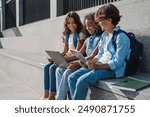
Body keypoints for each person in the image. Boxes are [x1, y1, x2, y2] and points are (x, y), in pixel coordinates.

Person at [68, 3, 131, 100]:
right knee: (72, 77)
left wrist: (97, 66)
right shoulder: (104, 36)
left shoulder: (121, 37)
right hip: (100, 65)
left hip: (113, 70)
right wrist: (91, 61)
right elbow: (100, 54)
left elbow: (118, 63)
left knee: (81, 81)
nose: (98, 23)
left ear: (109, 20)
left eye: (100, 21)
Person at [55, 13, 103, 100]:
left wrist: (77, 63)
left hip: (90, 65)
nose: (88, 28)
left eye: (90, 25)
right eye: (86, 26)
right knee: (60, 70)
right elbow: (79, 54)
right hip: (83, 63)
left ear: (97, 25)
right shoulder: (88, 39)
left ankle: (60, 100)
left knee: (68, 73)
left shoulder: (100, 39)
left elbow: (93, 56)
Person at [41, 11, 86, 100]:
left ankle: (53, 96)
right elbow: (65, 51)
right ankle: (47, 94)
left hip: (73, 59)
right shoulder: (67, 35)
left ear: (77, 22)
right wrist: (55, 57)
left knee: (53, 68)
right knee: (47, 67)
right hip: (66, 58)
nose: (71, 25)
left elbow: (77, 53)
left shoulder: (80, 34)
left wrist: (63, 58)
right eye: (69, 23)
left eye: (73, 22)